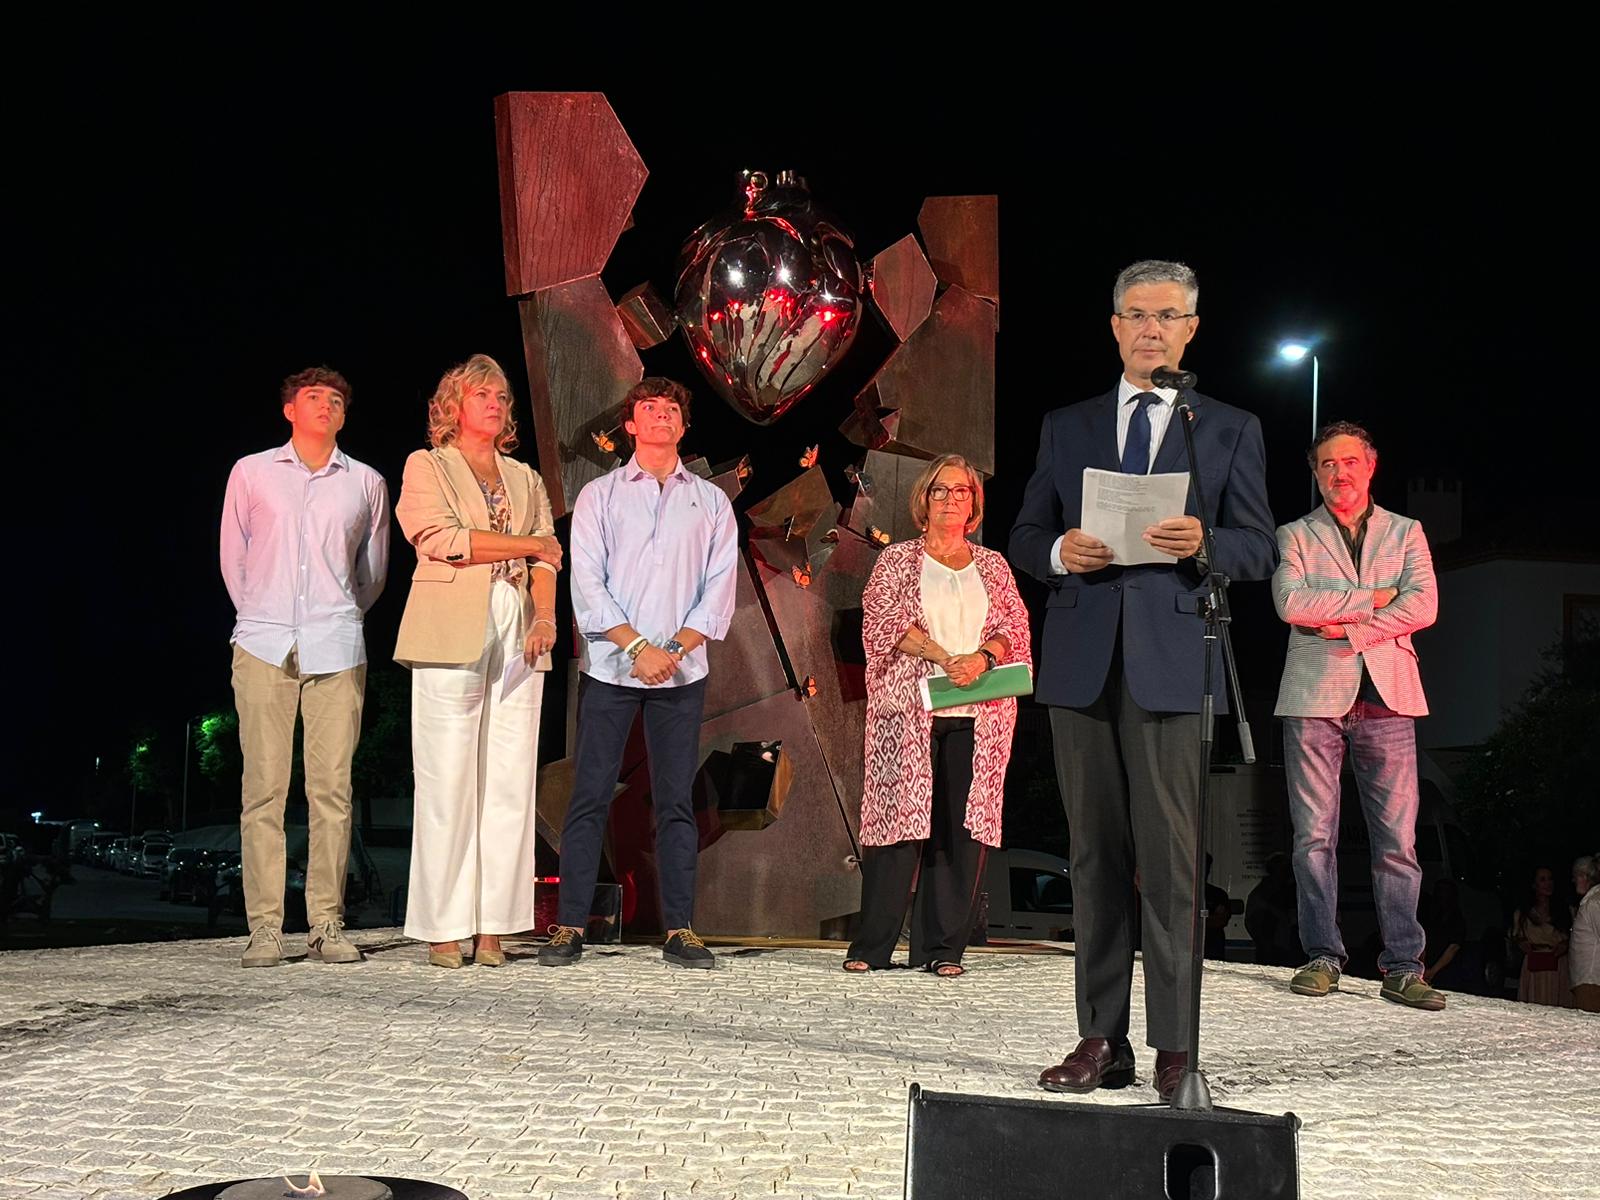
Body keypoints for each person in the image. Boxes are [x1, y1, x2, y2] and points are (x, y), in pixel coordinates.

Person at [1010, 260, 1276, 1102]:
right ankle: (1101, 1038)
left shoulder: (1225, 427)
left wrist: (1206, 541)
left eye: (1167, 315)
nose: (1150, 328)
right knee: (1093, 857)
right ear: (1114, 325)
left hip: (1175, 663)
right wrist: (1059, 552)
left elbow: (1260, 546)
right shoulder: (1067, 425)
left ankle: (1175, 1049)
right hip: (1082, 663)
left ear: (1191, 329)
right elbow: (1025, 533)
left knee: (1170, 866)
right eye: (1135, 313)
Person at [538, 378, 737, 970]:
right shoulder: (599, 495)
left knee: (675, 801)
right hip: (610, 668)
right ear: (630, 425)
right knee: (589, 796)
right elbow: (587, 584)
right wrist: (638, 648)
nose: (661, 416)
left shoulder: (711, 501)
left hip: (681, 671)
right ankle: (570, 925)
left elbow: (719, 590)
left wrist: (671, 649)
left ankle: (679, 929)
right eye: (649, 408)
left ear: (683, 426)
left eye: (671, 409)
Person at [393, 354, 564, 969]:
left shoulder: (525, 477)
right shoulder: (427, 465)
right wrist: (530, 544)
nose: (495, 404)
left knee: (511, 780)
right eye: (482, 395)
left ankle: (494, 925)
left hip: (519, 623)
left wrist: (545, 618)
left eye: (502, 397)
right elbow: (443, 540)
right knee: (447, 778)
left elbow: (549, 558)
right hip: (450, 622)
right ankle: (443, 925)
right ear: (454, 405)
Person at [1272, 420, 1444, 1011]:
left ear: (1370, 467)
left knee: (1397, 842)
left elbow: (1425, 605)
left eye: (1349, 461)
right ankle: (1322, 956)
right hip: (1312, 699)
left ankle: (1404, 966)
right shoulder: (1295, 533)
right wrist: (1375, 598)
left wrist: (1349, 626)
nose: (1338, 472)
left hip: (1388, 699)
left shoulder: (1406, 530)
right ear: (1315, 473)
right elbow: (1290, 603)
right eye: (1327, 464)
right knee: (1312, 838)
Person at [220, 366, 389, 968]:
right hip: (263, 643)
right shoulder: (251, 472)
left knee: (332, 791)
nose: (326, 406)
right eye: (313, 397)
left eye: (336, 400)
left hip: (335, 646)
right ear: (289, 409)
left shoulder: (365, 482)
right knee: (263, 791)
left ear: (345, 415)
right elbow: (235, 559)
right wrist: (261, 615)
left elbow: (371, 574)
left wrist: (337, 613)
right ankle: (265, 927)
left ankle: (325, 923)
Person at [845, 455, 1032, 977]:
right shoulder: (897, 560)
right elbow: (882, 620)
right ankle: (872, 946)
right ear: (923, 500)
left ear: (974, 503)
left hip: (980, 712)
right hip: (908, 710)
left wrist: (982, 658)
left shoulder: (993, 565)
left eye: (962, 491)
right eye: (941, 491)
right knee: (897, 824)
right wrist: (942, 656)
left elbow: (1014, 625)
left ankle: (942, 949)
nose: (951, 500)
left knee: (960, 830)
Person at [1511, 865, 1572, 1006]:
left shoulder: (1564, 911)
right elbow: (1516, 937)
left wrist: (1565, 945)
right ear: (1534, 885)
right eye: (1542, 880)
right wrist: (1521, 943)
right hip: (1534, 965)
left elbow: (1573, 937)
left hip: (1558, 964)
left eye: (1550, 879)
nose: (1548, 883)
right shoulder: (1523, 914)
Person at [1570, 854, 1600, 1012]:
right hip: (1588, 983)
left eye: (1576, 876)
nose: (1573, 881)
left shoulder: (1594, 903)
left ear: (1585, 876)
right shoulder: (1591, 902)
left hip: (1592, 983)